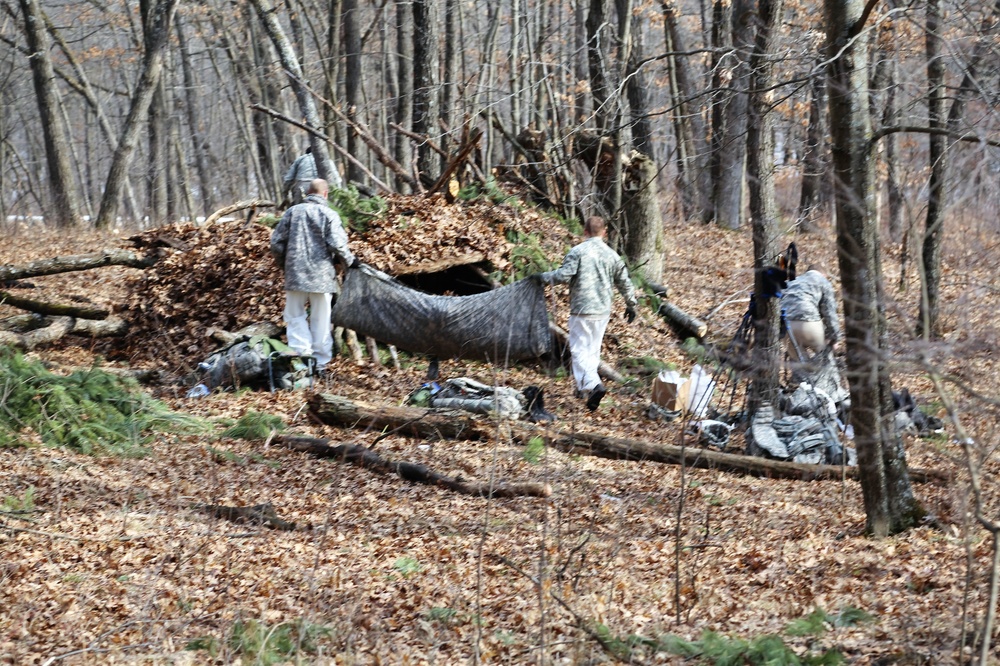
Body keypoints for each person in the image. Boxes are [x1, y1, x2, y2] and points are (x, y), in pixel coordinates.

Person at [532, 216, 638, 411]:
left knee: (580, 351)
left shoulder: (578, 252)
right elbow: (625, 281)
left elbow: (563, 276)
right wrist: (631, 304)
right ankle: (586, 391)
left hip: (582, 309)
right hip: (603, 311)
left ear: (585, 232)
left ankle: (593, 385)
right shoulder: (612, 255)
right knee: (592, 351)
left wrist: (541, 277)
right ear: (604, 233)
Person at [270, 178, 357, 370]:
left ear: (307, 193)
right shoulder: (329, 214)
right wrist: (350, 261)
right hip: (322, 276)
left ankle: (301, 359)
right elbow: (337, 244)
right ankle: (320, 363)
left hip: (295, 275)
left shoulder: (292, 212)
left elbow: (276, 243)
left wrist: (284, 265)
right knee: (321, 319)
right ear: (325, 194)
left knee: (295, 316)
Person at [782, 264, 847, 404]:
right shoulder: (823, 282)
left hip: (785, 327)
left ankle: (801, 400)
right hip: (809, 323)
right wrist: (834, 338)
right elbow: (830, 314)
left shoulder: (792, 282)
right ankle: (835, 398)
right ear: (824, 275)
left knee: (799, 364)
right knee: (826, 357)